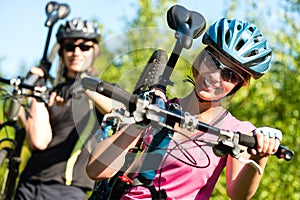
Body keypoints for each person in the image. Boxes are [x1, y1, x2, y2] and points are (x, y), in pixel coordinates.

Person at [86, 18, 283, 200]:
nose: (215, 77)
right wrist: (139, 123)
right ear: (200, 57)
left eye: (230, 75)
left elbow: (238, 195)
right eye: (213, 62)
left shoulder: (238, 130)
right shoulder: (160, 108)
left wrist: (259, 155)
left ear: (240, 85)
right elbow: (95, 170)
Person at [14, 18, 117, 200]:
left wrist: (83, 86)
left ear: (94, 51)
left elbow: (117, 111)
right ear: (61, 52)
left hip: (68, 189)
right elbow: (39, 141)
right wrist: (37, 92)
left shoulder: (104, 91)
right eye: (69, 47)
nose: (76, 52)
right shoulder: (53, 93)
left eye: (84, 47)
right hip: (28, 184)